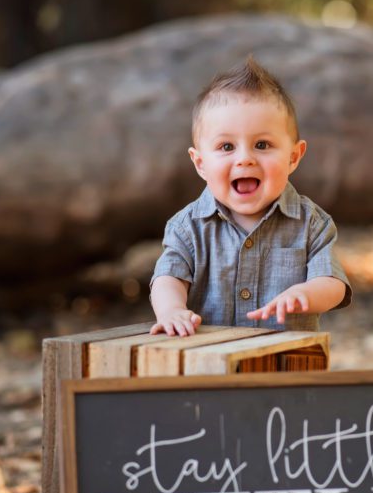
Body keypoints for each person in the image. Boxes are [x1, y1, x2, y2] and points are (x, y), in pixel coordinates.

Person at [149, 56, 351, 336]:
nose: (245, 159)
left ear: (293, 156)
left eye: (262, 144)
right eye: (226, 146)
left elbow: (333, 283)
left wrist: (305, 293)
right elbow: (168, 277)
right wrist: (171, 310)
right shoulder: (188, 227)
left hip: (287, 365)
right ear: (200, 164)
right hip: (209, 364)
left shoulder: (311, 224)